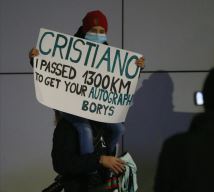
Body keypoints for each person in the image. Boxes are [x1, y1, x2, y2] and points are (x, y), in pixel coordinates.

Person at [30, 10, 144, 191]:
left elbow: (119, 79)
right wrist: (36, 59)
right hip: (80, 186)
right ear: (85, 29)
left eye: (101, 31)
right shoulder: (67, 127)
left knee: (119, 127)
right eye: (94, 30)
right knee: (84, 129)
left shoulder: (104, 125)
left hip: (101, 185)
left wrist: (135, 69)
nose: (98, 34)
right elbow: (54, 67)